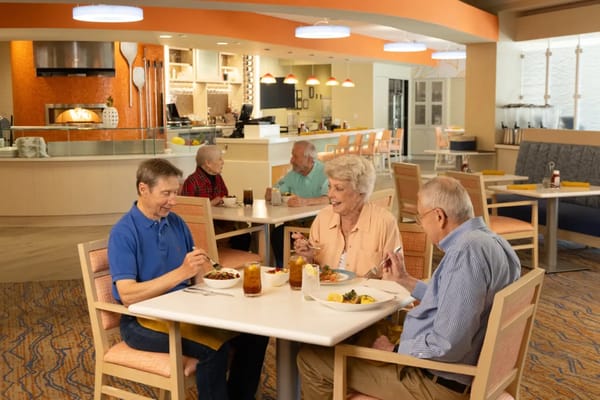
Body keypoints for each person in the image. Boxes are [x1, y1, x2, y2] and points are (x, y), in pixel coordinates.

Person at [297, 176, 522, 399]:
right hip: (462, 370)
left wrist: (395, 351)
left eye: (420, 217)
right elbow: (456, 300)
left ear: (439, 216)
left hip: (435, 383)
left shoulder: (465, 254)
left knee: (312, 359)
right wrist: (405, 280)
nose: (420, 224)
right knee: (365, 337)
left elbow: (447, 345)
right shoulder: (493, 242)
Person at [108, 158, 268, 400]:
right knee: (214, 349)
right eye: (167, 193)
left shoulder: (175, 222)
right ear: (143, 189)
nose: (174, 201)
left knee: (254, 335)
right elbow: (128, 294)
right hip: (142, 321)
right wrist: (182, 272)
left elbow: (196, 273)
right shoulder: (124, 232)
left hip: (184, 309)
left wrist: (216, 281)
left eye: (176, 193)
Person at [292, 154, 400, 276]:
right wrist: (308, 256)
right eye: (329, 187)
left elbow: (394, 279)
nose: (330, 194)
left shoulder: (384, 222)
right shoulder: (323, 218)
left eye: (339, 188)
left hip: (368, 294)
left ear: (360, 192)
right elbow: (313, 274)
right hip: (326, 294)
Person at [266, 140, 330, 267]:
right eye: (292, 155)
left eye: (295, 156)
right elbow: (277, 191)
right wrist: (271, 194)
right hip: (294, 223)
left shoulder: (325, 172)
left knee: (282, 234)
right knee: (277, 234)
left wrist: (305, 202)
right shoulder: (293, 174)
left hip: (317, 223)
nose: (291, 160)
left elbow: (329, 199)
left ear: (309, 158)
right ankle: (282, 269)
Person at [181, 145, 251, 251]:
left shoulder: (218, 177)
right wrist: (211, 203)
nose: (223, 162)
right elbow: (186, 211)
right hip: (207, 230)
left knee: (246, 235)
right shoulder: (192, 181)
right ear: (208, 163)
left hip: (222, 223)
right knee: (243, 237)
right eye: (219, 159)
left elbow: (225, 195)